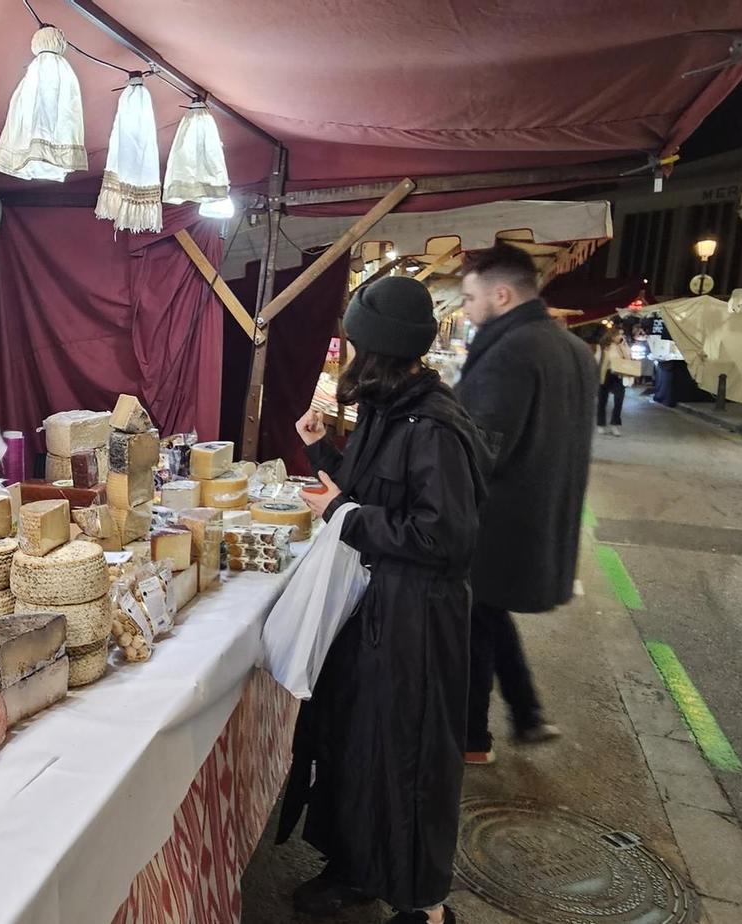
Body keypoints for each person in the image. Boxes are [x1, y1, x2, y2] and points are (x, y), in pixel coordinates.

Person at [280, 275, 490, 924]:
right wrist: (321, 450)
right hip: (373, 607)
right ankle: (355, 869)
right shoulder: (384, 408)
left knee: (408, 759)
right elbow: (366, 488)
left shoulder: (433, 426)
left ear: (376, 351)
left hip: (418, 622)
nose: (343, 356)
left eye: (351, 345)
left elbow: (444, 537)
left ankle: (422, 907)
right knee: (354, 740)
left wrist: (343, 514)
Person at [452, 243, 595, 764]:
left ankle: (471, 737)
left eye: (470, 298)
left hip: (496, 520)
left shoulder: (510, 351)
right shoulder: (569, 347)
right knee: (486, 616)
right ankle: (526, 714)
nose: (465, 309)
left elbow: (482, 445)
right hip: (539, 519)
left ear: (502, 294)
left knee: (472, 625)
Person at [593, 324, 629, 436]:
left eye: (622, 334)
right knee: (602, 401)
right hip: (606, 374)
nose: (621, 336)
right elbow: (597, 359)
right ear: (613, 335)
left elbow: (628, 358)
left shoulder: (622, 346)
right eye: (619, 334)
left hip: (618, 376)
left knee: (619, 400)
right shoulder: (603, 346)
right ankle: (601, 424)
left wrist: (624, 345)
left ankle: (615, 425)